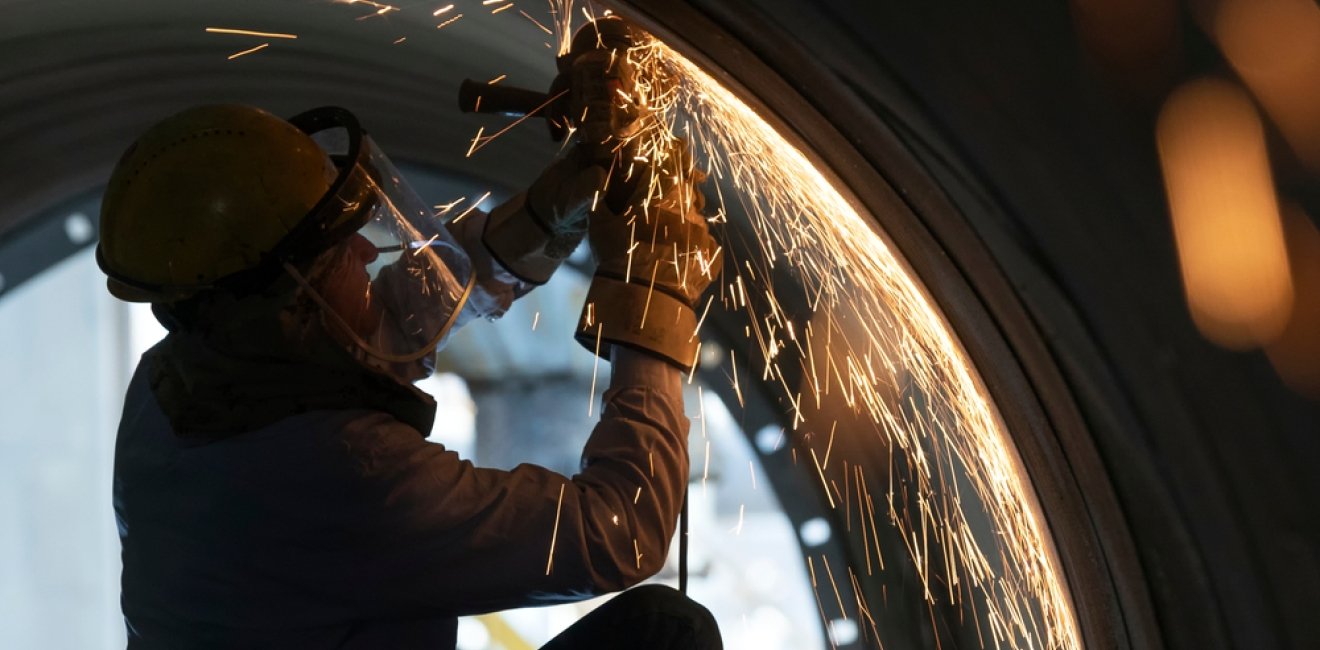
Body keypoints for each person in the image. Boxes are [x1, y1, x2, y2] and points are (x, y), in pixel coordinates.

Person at [97, 101, 723, 649]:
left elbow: (383, 326)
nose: (369, 251)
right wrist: (654, 293)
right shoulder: (346, 473)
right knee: (669, 635)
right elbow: (619, 533)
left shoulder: (174, 384)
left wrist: (546, 216)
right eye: (341, 252)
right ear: (291, 301)